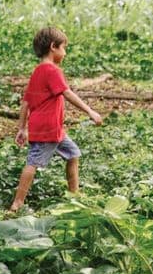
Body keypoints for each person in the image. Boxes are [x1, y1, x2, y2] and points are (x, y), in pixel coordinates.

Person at [10, 25, 104, 210]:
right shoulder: (52, 70)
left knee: (73, 154)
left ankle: (74, 195)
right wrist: (90, 111)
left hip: (54, 129)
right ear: (53, 46)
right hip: (48, 128)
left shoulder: (37, 71)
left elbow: (26, 102)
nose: (65, 53)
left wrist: (22, 128)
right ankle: (17, 202)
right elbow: (67, 93)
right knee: (33, 162)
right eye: (64, 47)